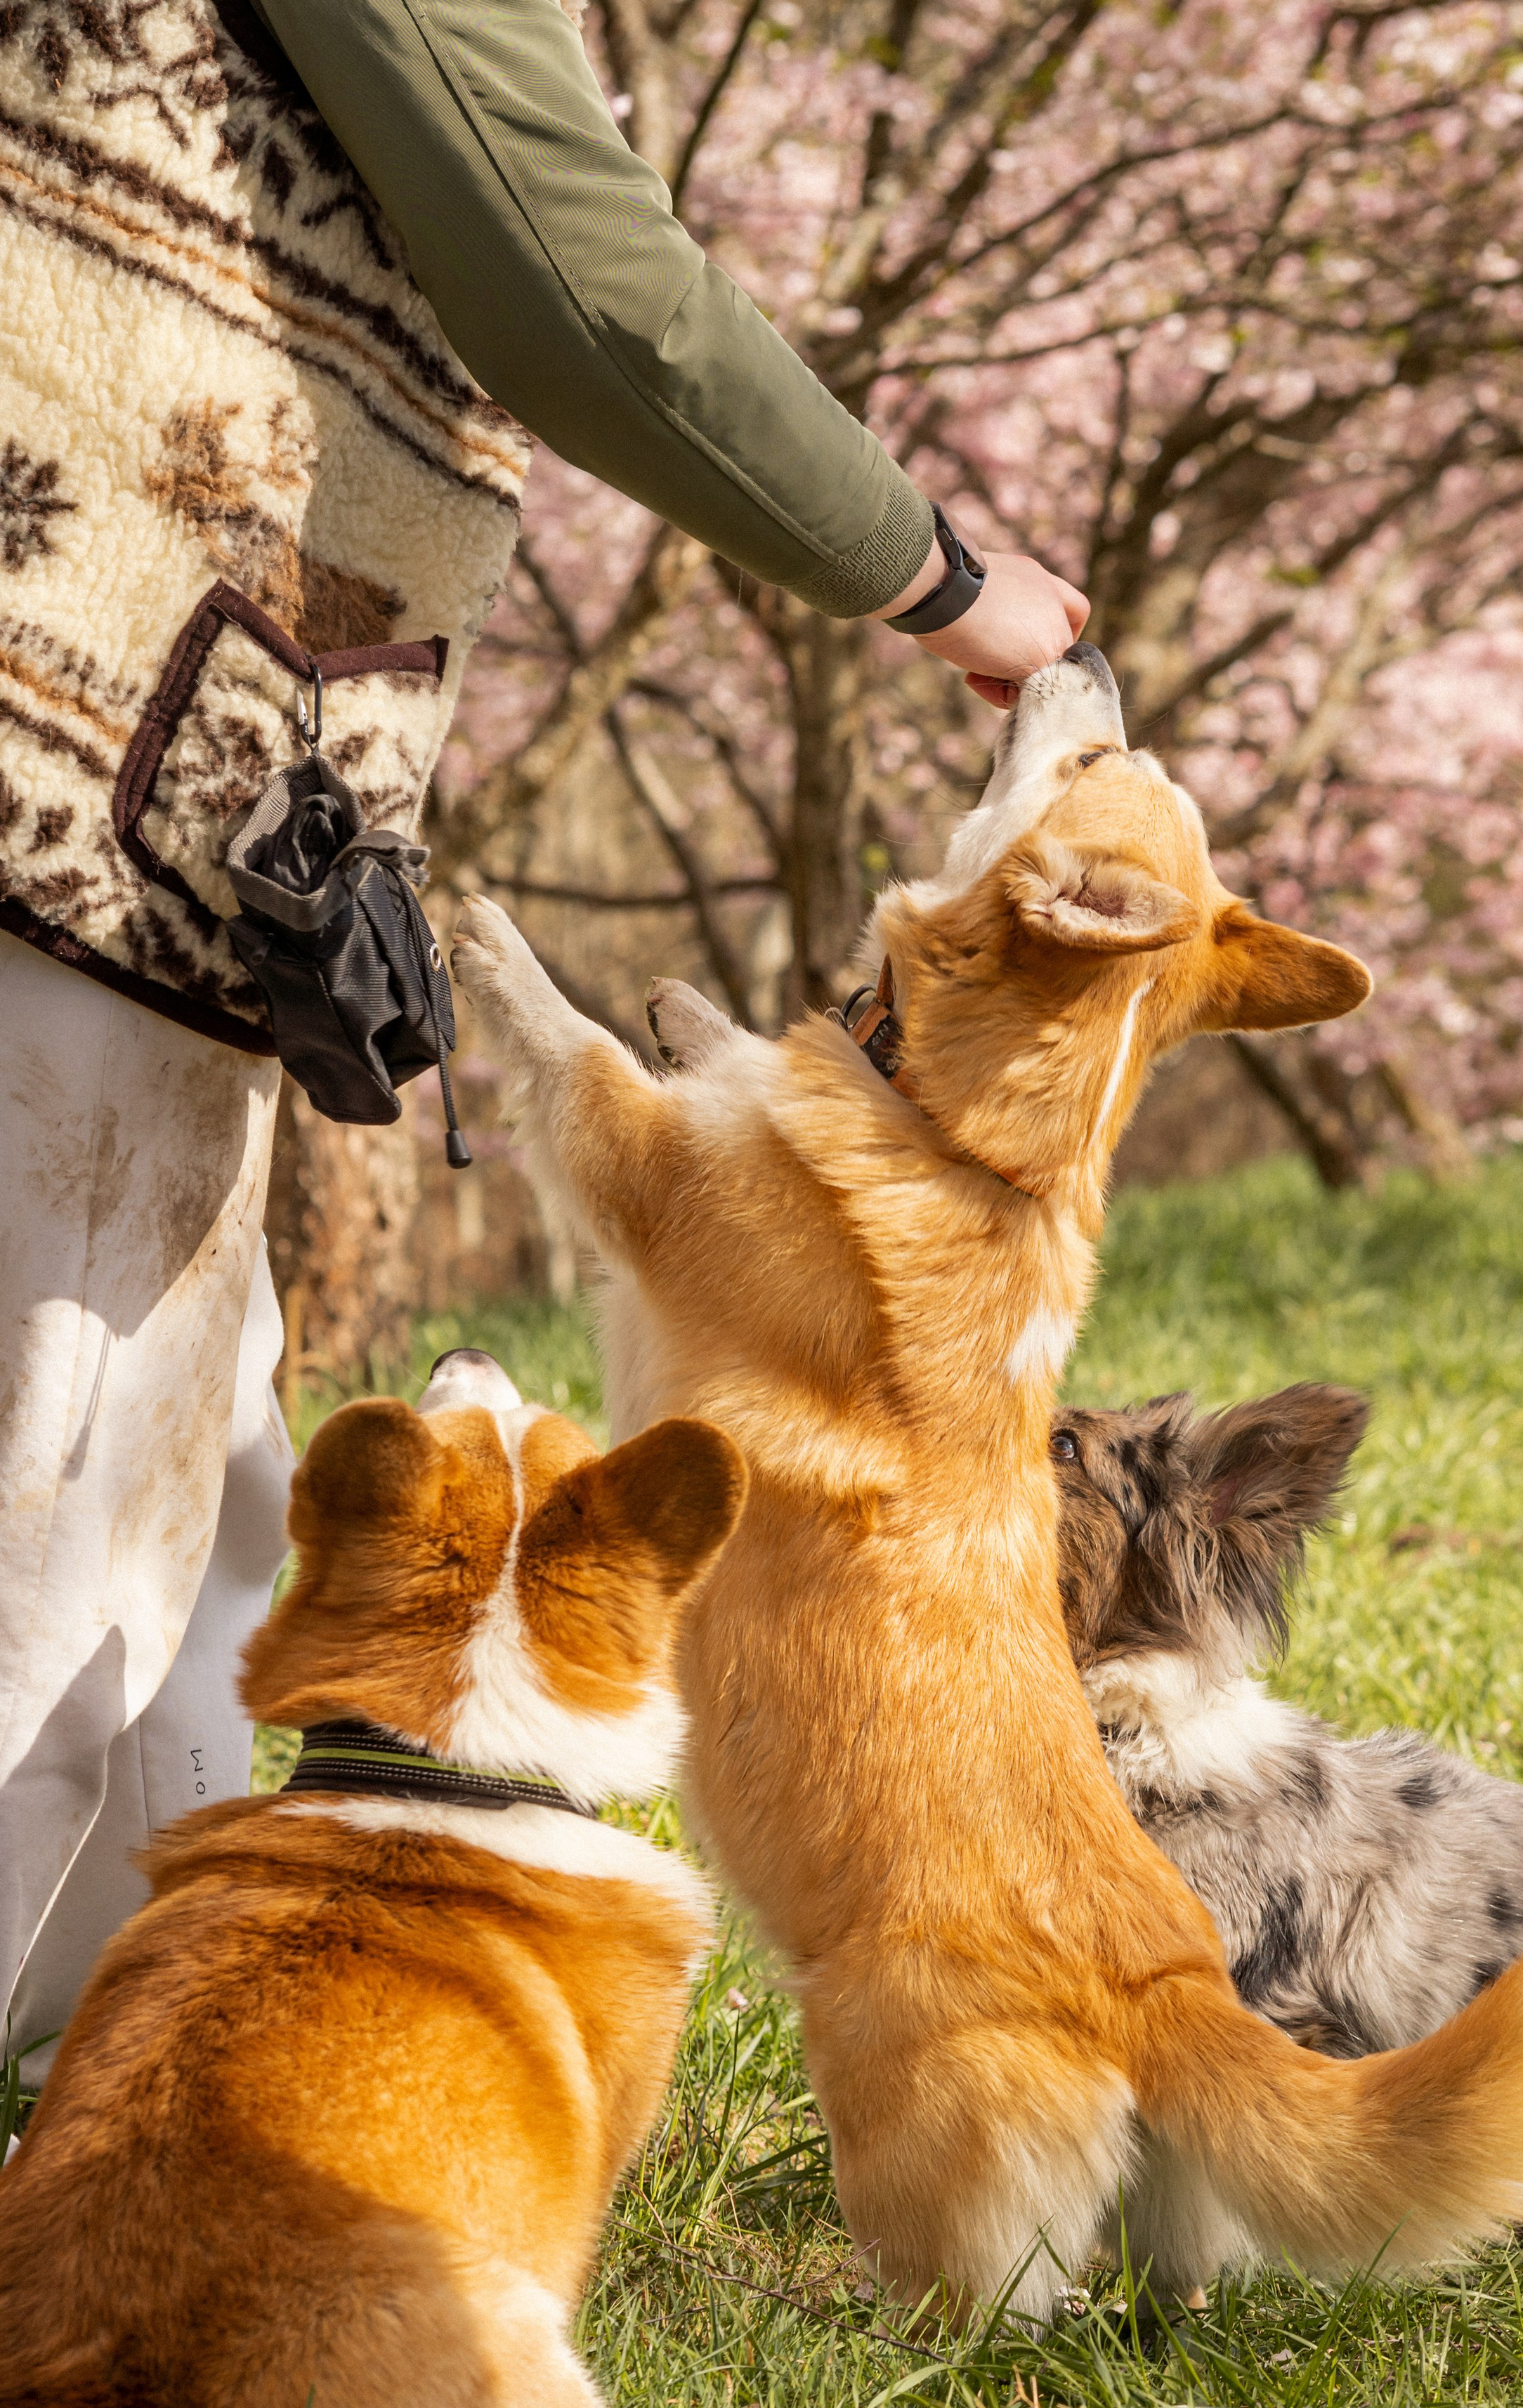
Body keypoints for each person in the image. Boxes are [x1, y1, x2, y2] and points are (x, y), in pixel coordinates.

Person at [0, 0, 1087, 2072]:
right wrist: (939, 576)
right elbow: (564, 256)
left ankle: (162, 2094)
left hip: (106, 773)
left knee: (199, 1503)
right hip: (59, 736)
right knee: (53, 1516)